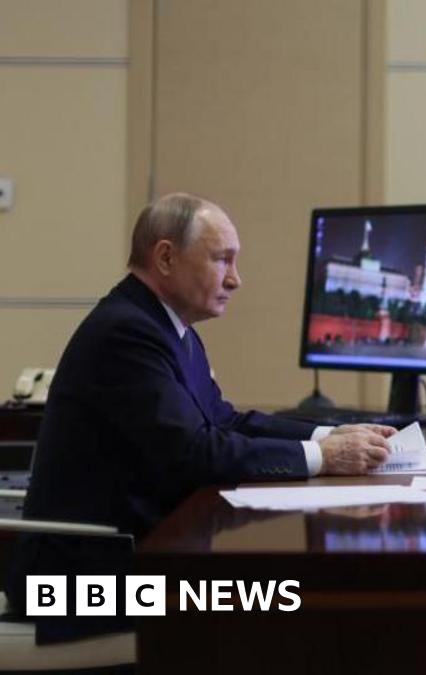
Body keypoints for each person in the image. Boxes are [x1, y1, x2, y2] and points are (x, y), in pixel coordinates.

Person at [6, 194, 396, 623]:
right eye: (222, 260)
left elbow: (224, 421)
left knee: (281, 591)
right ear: (167, 258)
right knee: (282, 595)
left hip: (127, 559)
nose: (235, 280)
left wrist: (326, 436)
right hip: (73, 584)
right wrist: (325, 458)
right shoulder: (127, 334)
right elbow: (194, 453)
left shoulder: (167, 328)